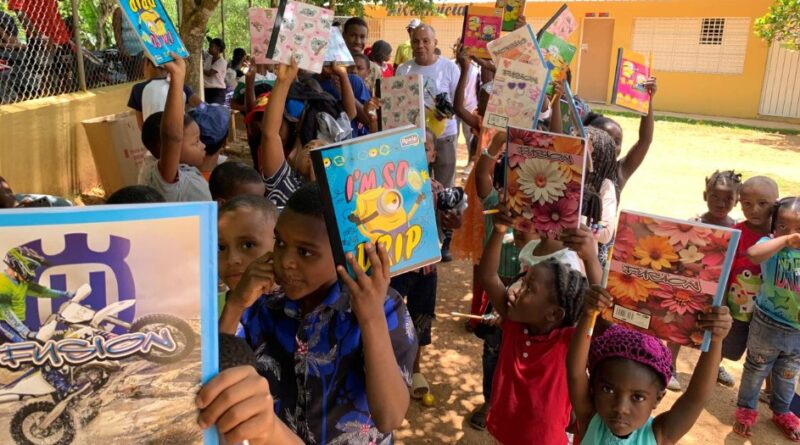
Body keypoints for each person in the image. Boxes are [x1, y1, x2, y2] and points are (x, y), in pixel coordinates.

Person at [218, 182, 418, 444]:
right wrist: (235, 304)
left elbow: (390, 417)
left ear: (344, 255)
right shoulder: (262, 300)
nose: (285, 261)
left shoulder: (384, 306)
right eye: (280, 243)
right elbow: (216, 373)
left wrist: (371, 319)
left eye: (305, 252)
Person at [478, 201, 599, 444]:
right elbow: (488, 276)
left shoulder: (568, 342)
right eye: (523, 282)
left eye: (529, 288)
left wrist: (591, 259)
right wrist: (499, 231)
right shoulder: (513, 322)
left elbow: (597, 309)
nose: (516, 290)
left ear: (554, 314)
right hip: (505, 431)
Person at [569, 289, 733, 445]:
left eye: (638, 397)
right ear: (593, 388)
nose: (621, 408)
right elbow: (575, 372)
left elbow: (695, 399)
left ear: (658, 398)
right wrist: (588, 315)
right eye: (608, 389)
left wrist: (715, 340)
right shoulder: (590, 418)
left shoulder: (660, 434)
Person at [390, 128, 463, 401]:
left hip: (426, 269)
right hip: (396, 267)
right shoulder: (391, 189)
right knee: (390, 315)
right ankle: (389, 367)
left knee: (420, 317)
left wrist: (454, 221)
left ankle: (415, 367)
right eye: (411, 147)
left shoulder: (438, 190)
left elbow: (449, 220)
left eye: (425, 148)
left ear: (433, 156)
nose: (418, 153)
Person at [666, 170, 745, 391]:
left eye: (728, 198)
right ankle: (668, 365)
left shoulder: (737, 228)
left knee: (717, 328)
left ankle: (713, 366)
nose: (720, 203)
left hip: (724, 289)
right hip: (693, 285)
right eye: (715, 196)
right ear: (704, 196)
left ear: (737, 200)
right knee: (681, 324)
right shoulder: (694, 224)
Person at [734, 196, 800, 442]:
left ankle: (782, 411)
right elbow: (753, 254)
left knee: (788, 374)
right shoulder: (769, 244)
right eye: (783, 226)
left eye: (798, 228)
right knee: (756, 368)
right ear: (773, 226)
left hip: (797, 332)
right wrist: (785, 240)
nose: (792, 233)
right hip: (767, 325)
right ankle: (746, 410)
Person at [138, 54, 211, 202]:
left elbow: (141, 122)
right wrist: (177, 77)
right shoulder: (165, 177)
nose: (203, 145)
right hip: (163, 136)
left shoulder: (184, 168)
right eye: (196, 142)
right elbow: (172, 138)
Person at [396, 24, 460, 189]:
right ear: (411, 43)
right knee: (416, 187)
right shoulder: (403, 70)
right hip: (415, 139)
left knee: (445, 189)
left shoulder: (449, 68)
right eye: (416, 41)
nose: (420, 45)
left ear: (435, 42)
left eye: (426, 41)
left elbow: (458, 104)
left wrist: (446, 112)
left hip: (445, 137)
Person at [583, 76, 656, 192]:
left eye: (617, 142)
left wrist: (647, 101)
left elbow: (645, 141)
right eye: (607, 138)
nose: (612, 145)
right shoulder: (575, 167)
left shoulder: (619, 172)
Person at [217, 194, 279, 313]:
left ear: (278, 245)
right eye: (221, 247)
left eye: (248, 245)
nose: (232, 259)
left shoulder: (299, 308)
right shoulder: (208, 309)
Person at [128, 57, 202, 129]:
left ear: (148, 64)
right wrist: (206, 107)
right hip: (178, 132)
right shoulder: (179, 85)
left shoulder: (138, 89)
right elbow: (200, 105)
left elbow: (141, 124)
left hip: (153, 135)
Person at [342, 17, 382, 93]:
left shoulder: (375, 69)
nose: (358, 41)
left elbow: (378, 96)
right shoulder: (334, 65)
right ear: (344, 36)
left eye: (362, 37)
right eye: (353, 35)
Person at [112, 5, 144, 81]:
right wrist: (122, 50)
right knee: (131, 78)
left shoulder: (144, 9)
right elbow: (117, 33)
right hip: (127, 51)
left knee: (139, 77)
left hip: (143, 51)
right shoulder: (119, 11)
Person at [203, 38, 228, 105]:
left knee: (214, 109)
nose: (209, 48)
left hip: (217, 91)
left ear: (218, 48)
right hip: (206, 90)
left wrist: (200, 69)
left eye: (211, 46)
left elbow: (209, 73)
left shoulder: (222, 62)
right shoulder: (209, 59)